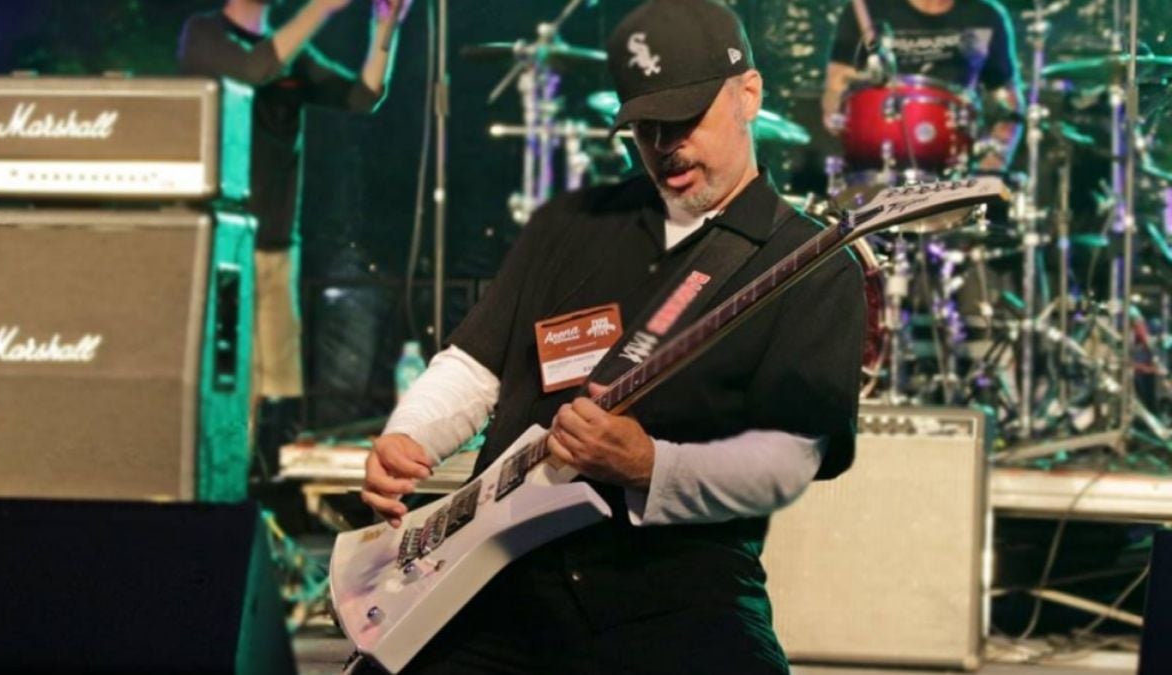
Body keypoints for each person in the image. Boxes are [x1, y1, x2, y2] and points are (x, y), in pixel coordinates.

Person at [357, 0, 866, 672]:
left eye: (683, 119)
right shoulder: (573, 223)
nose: (664, 145)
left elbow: (789, 457)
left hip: (673, 587)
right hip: (498, 575)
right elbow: (478, 363)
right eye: (645, 127)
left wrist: (652, 466)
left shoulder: (810, 264)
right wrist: (410, 435)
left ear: (749, 95)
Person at [177, 0, 409, 475]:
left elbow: (363, 96)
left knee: (269, 383)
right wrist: (321, 8)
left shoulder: (290, 52)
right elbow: (254, 69)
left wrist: (383, 29)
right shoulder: (203, 35)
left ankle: (248, 480)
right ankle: (216, 481)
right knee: (228, 374)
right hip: (222, 242)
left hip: (278, 240)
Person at [822, 0, 1024, 172]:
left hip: (955, 163)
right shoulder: (869, 8)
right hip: (875, 160)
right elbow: (837, 85)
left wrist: (997, 156)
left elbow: (1007, 98)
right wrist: (834, 112)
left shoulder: (983, 15)